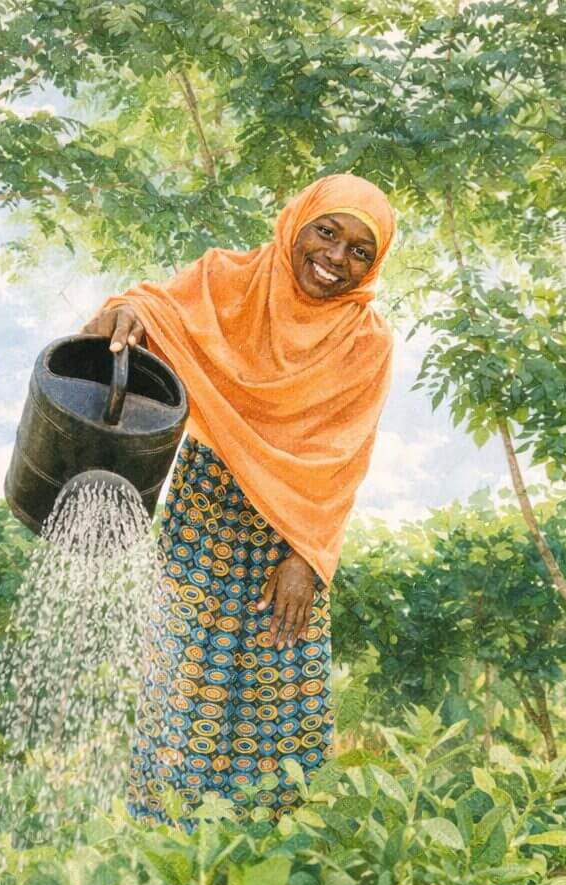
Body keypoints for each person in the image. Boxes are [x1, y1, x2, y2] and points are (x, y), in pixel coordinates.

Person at [83, 173, 397, 826]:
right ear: (298, 223)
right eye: (327, 232)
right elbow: (150, 311)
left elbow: (344, 459)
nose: (336, 257)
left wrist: (306, 560)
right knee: (183, 680)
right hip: (204, 512)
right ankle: (168, 845)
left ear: (374, 264)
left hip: (291, 538)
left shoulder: (366, 342)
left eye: (359, 251)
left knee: (280, 690)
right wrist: (127, 312)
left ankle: (277, 853)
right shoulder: (225, 280)